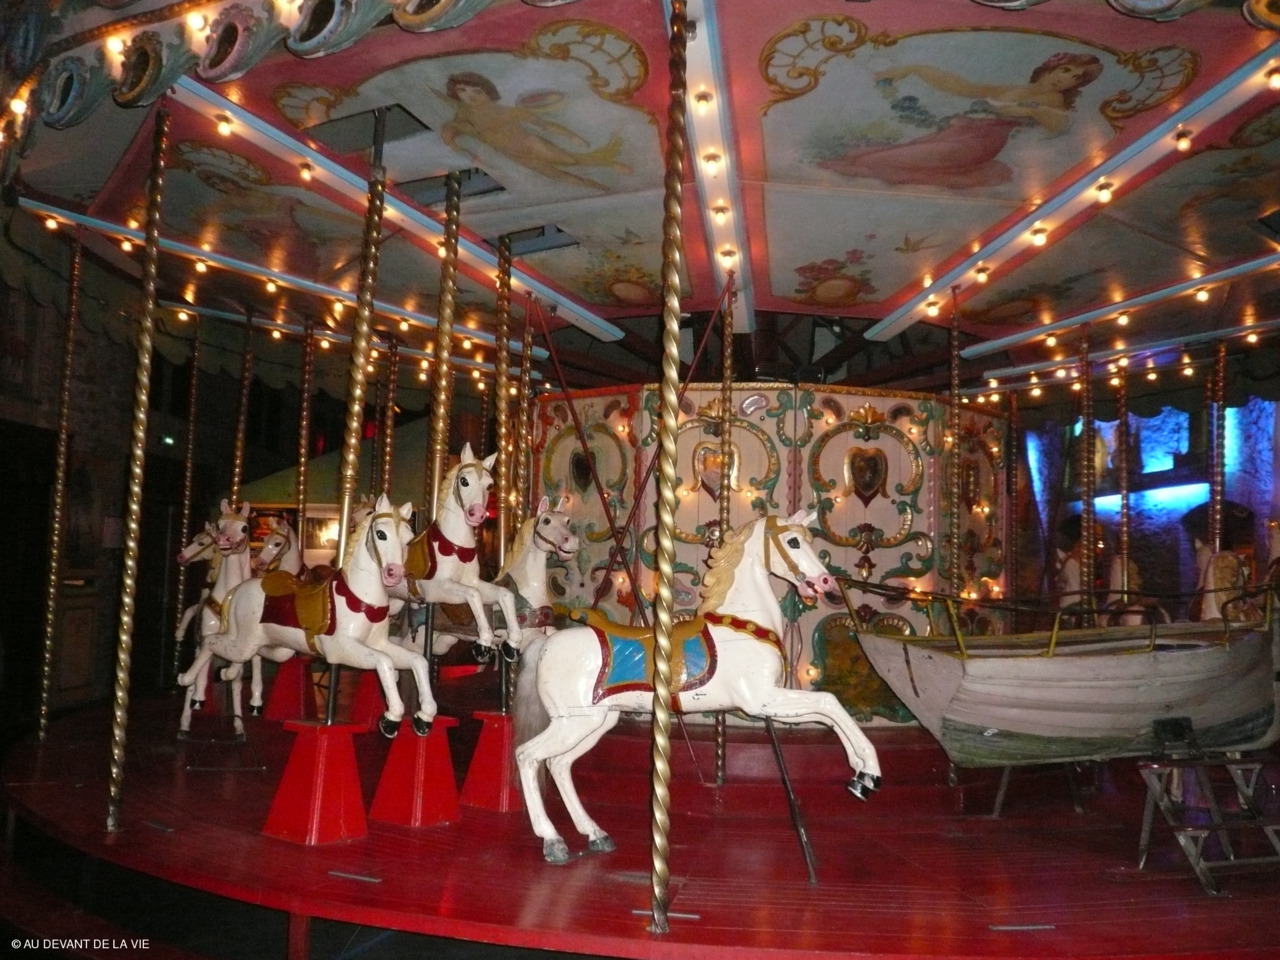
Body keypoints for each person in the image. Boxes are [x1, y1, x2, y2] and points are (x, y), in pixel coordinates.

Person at [818, 52, 1103, 189]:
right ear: (1053, 67)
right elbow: (962, 87)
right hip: (955, 135)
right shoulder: (1013, 89)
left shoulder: (1053, 101)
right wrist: (915, 68)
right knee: (868, 157)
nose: (1067, 79)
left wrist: (1029, 111)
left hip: (977, 145)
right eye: (1066, 70)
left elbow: (1058, 123)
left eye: (1076, 78)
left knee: (877, 162)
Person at [439, 71, 629, 191]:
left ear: (487, 93)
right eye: (462, 90)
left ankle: (611, 163)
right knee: (560, 176)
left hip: (531, 144)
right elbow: (450, 129)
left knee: (570, 161)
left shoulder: (506, 111)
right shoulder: (463, 115)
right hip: (515, 155)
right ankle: (600, 188)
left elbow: (543, 124)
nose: (470, 96)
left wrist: (572, 136)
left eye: (476, 92)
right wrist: (457, 147)